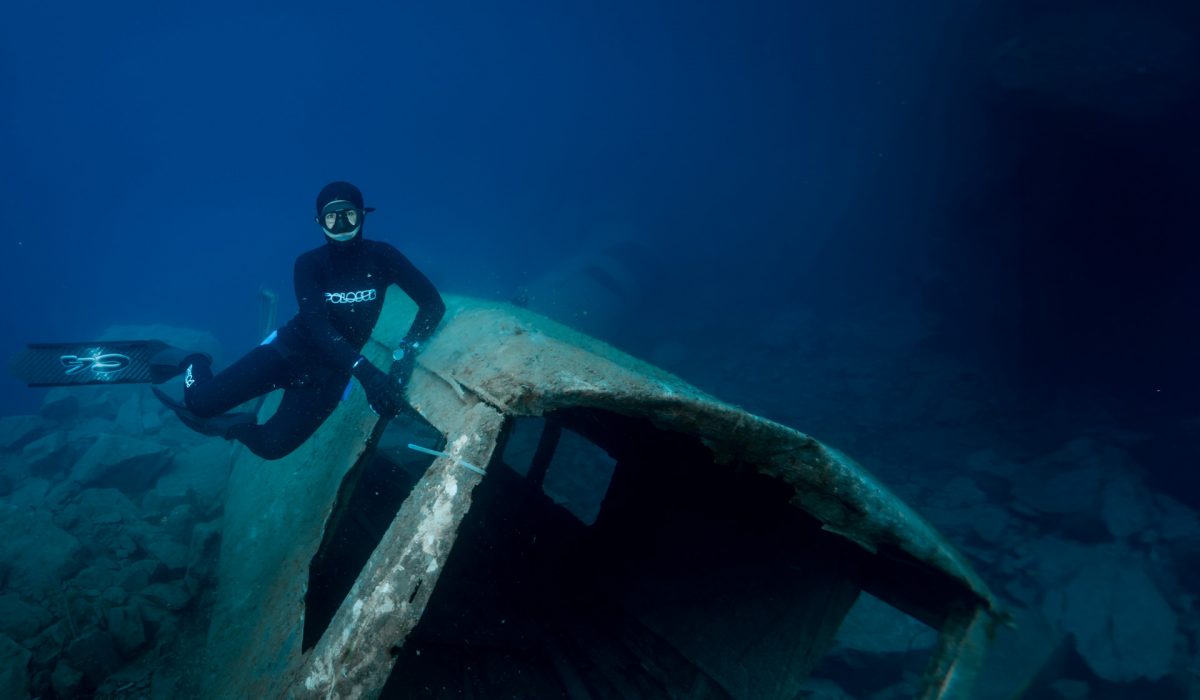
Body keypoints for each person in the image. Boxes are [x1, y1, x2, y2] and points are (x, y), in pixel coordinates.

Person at [151, 181, 446, 460]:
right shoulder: (309, 264)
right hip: (288, 353)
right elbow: (317, 325)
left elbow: (432, 304)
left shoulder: (383, 256)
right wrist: (366, 372)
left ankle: (231, 425)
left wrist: (405, 352)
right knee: (199, 403)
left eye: (349, 216)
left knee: (271, 447)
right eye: (332, 218)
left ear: (362, 216)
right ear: (319, 221)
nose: (342, 225)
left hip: (330, 374)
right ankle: (193, 360)